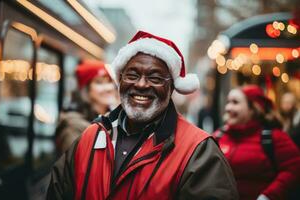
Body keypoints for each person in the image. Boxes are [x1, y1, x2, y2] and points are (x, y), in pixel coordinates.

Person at [47, 31, 238, 199]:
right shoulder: (90, 137)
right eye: (132, 75)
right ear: (120, 80)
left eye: (154, 77)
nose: (141, 84)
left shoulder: (198, 151)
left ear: (171, 87)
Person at [213, 85, 300, 200]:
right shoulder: (219, 136)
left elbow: (295, 167)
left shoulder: (273, 137)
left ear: (253, 109)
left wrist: (268, 196)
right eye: (228, 102)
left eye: (235, 102)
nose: (228, 107)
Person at [55, 60, 119, 154]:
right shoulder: (73, 125)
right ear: (86, 89)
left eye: (109, 81)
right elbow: (77, 165)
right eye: (99, 83)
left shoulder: (112, 118)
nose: (108, 88)